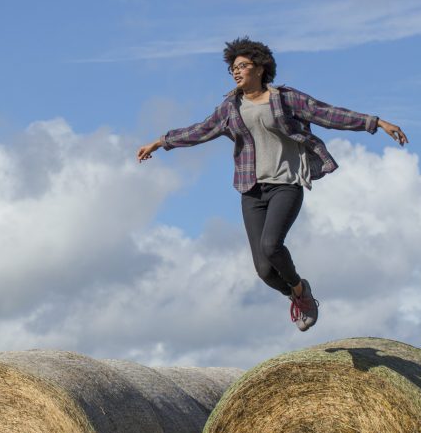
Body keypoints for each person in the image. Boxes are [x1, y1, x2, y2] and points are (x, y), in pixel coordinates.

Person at [135, 37, 407, 331]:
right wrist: (161, 142)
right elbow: (201, 130)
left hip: (286, 183)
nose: (236, 72)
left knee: (271, 245)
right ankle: (299, 292)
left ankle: (301, 294)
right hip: (251, 189)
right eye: (232, 69)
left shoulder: (285, 99)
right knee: (264, 270)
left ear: (260, 68)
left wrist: (376, 123)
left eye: (242, 66)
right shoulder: (230, 108)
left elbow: (328, 114)